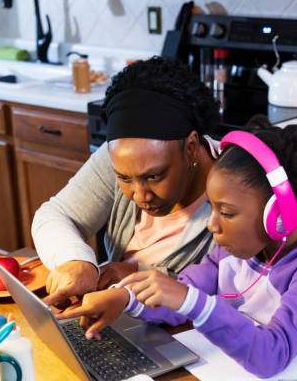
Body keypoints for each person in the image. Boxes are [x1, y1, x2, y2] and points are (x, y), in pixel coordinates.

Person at [57, 120, 297, 378]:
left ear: (277, 215)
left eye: (227, 213)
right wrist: (126, 299)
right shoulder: (233, 249)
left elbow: (272, 355)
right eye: (213, 208)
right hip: (238, 379)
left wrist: (191, 301)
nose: (212, 225)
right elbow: (181, 296)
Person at [32, 56, 220, 308]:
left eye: (153, 176)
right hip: (118, 320)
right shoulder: (117, 157)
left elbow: (233, 288)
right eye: (124, 178)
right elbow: (55, 215)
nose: (140, 195)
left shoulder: (234, 187)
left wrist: (139, 276)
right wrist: (77, 260)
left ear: (191, 147)